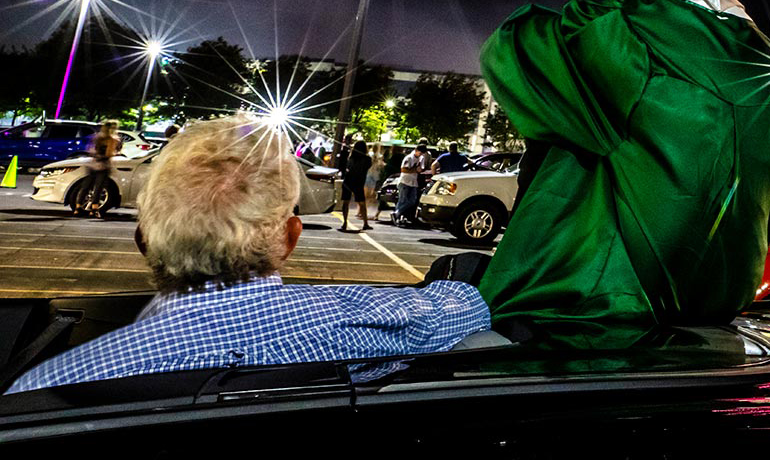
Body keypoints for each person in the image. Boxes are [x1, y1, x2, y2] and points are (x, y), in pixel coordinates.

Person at [476, 0, 770, 346]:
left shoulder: (626, 36)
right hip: (715, 325)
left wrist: (633, 10)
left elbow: (510, 46)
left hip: (592, 320)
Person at [5, 114, 488, 394]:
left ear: (143, 239)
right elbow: (465, 305)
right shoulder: (368, 324)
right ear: (290, 237)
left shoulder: (48, 386)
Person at [68, 119, 121, 218]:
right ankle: (94, 209)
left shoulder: (96, 137)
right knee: (99, 188)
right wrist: (116, 153)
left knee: (86, 186)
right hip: (104, 165)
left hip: (92, 164)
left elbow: (90, 150)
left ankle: (78, 208)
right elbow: (109, 153)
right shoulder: (112, 139)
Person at [339, 133, 373, 232]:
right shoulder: (367, 159)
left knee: (346, 202)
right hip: (359, 181)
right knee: (362, 203)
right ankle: (365, 223)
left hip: (348, 180)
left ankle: (344, 222)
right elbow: (367, 168)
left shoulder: (351, 157)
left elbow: (347, 168)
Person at [395, 140, 431, 227]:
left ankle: (397, 213)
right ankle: (398, 215)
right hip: (405, 181)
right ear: (416, 150)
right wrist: (415, 170)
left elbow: (421, 169)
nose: (421, 155)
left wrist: (422, 171)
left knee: (412, 200)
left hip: (414, 182)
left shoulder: (421, 158)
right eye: (420, 153)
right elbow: (403, 169)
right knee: (403, 200)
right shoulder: (409, 158)